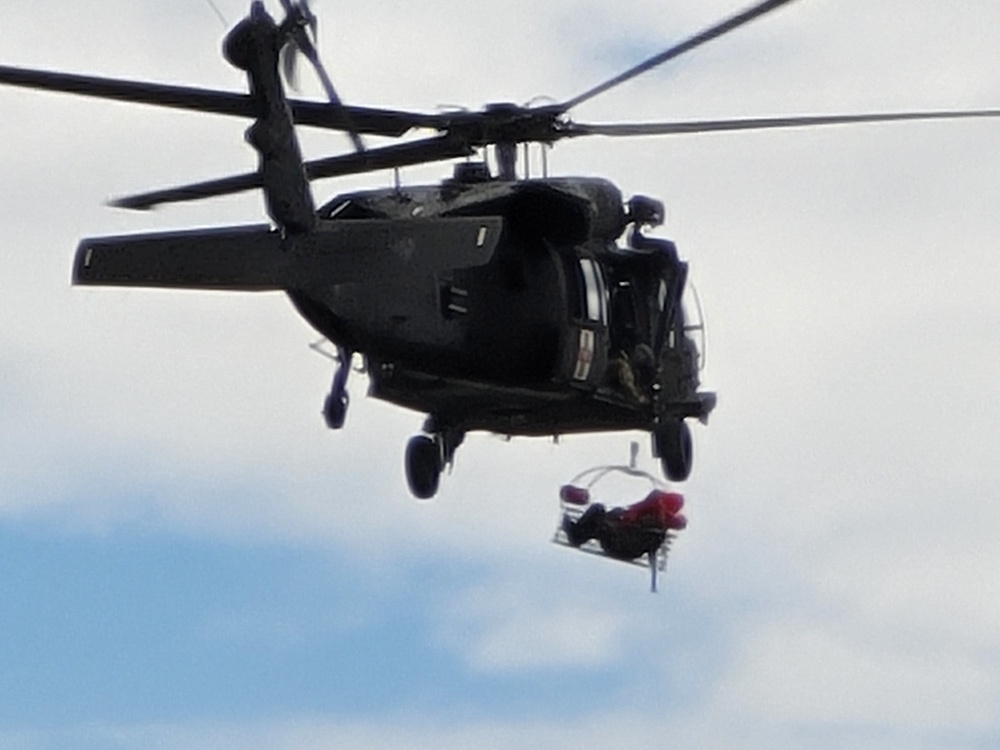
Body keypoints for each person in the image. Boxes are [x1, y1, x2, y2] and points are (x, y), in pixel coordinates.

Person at [562, 489, 687, 562]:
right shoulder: (654, 529)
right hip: (620, 541)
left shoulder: (654, 531)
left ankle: (576, 535)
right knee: (601, 516)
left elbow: (635, 539)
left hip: (620, 543)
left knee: (598, 512)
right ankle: (578, 533)